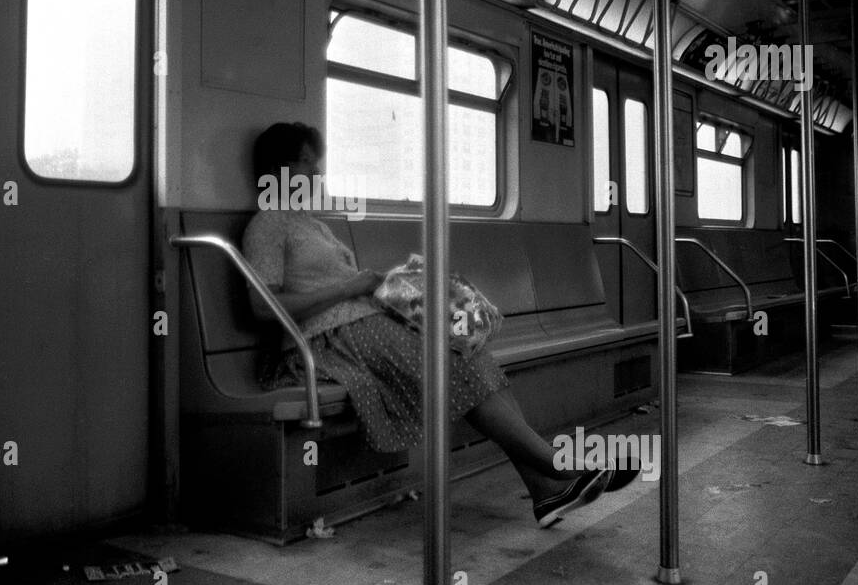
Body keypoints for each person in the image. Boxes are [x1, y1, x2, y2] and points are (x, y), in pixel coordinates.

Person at [241, 122, 628, 528]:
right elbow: (264, 307)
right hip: (327, 339)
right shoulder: (267, 225)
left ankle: (544, 492)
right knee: (453, 365)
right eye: (306, 163)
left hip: (365, 323)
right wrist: (349, 288)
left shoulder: (313, 225)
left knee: (472, 355)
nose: (316, 173)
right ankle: (555, 465)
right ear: (278, 167)